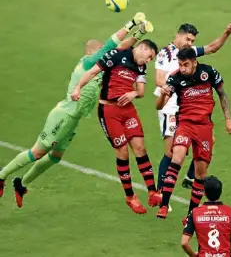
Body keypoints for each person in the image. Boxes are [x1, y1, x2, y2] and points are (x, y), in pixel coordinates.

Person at [0, 12, 149, 207]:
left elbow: (121, 49)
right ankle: (1, 175)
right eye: (100, 53)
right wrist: (131, 24)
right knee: (38, 152)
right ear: (90, 53)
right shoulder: (87, 62)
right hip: (64, 114)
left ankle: (22, 183)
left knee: (55, 157)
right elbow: (112, 45)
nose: (107, 56)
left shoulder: (103, 67)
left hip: (74, 119)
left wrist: (139, 35)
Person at [71, 30, 160, 214]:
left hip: (127, 110)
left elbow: (141, 91)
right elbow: (93, 70)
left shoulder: (141, 67)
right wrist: (78, 88)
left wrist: (133, 93)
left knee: (140, 148)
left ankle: (152, 191)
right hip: (109, 110)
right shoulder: (116, 55)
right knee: (123, 152)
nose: (148, 61)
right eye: (149, 56)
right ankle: (130, 196)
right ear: (142, 48)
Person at [154, 22, 231, 193]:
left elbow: (213, 47)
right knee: (172, 152)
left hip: (188, 104)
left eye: (193, 40)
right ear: (178, 36)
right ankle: (159, 192)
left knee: (209, 141)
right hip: (170, 105)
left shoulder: (190, 53)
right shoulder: (166, 53)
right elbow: (159, 79)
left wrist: (226, 32)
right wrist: (175, 86)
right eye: (188, 39)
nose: (190, 43)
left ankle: (190, 176)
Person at [181, 175, 231, 257]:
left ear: (204, 192)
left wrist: (194, 255)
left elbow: (184, 243)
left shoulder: (195, 213)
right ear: (220, 191)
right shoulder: (230, 212)